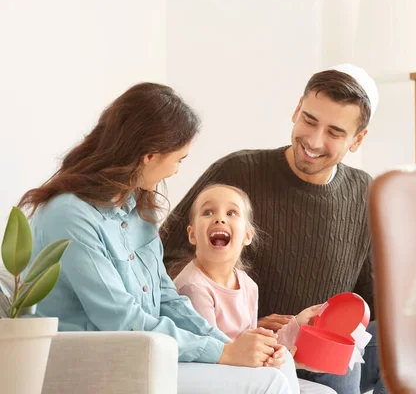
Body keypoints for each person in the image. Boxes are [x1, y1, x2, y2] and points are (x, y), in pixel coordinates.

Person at [19, 82, 294, 394]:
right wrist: (224, 353)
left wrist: (231, 345)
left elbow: (166, 298)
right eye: (179, 159)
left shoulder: (139, 212)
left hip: (149, 355)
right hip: (100, 364)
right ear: (150, 155)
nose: (175, 171)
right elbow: (123, 321)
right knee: (268, 381)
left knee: (280, 364)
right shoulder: (69, 216)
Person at [161, 64, 386, 394]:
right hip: (255, 351)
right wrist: (242, 322)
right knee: (342, 370)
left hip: (318, 347)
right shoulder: (237, 172)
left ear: (357, 140)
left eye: (334, 132)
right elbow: (162, 261)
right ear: (297, 109)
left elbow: (370, 301)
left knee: (405, 343)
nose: (313, 140)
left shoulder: (365, 194)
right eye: (309, 120)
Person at [172, 183, 329, 393]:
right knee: (282, 367)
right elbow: (211, 354)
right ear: (192, 235)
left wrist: (297, 324)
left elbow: (255, 343)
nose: (219, 218)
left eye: (231, 212)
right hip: (211, 371)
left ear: (247, 235)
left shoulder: (248, 285)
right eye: (208, 212)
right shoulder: (193, 287)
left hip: (242, 365)